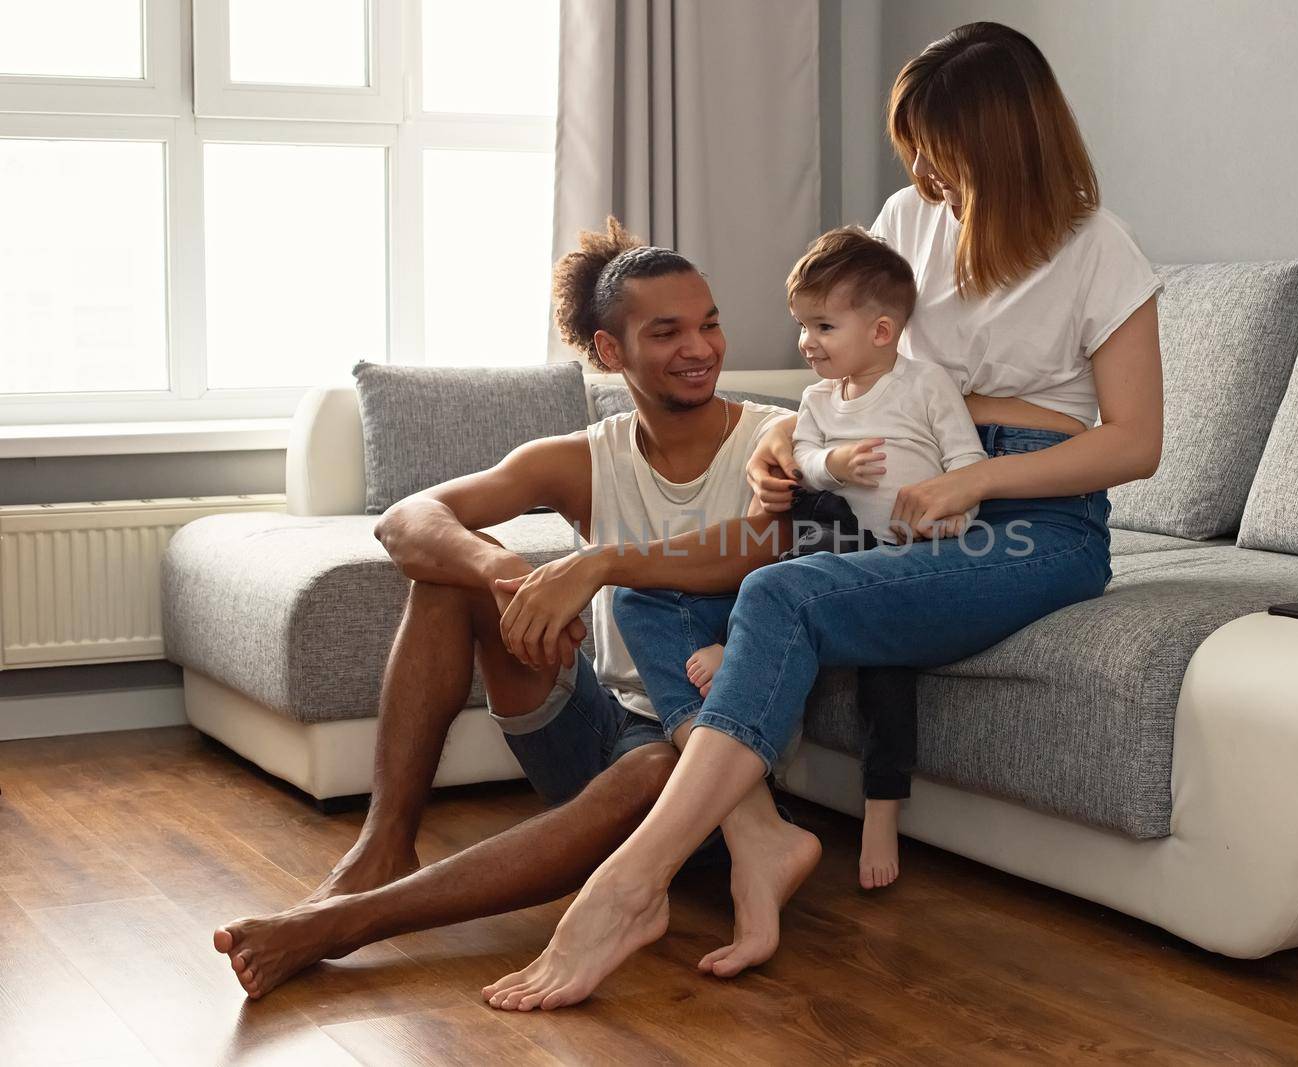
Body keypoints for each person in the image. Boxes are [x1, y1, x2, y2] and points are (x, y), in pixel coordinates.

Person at [472, 20, 1165, 1012]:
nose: (921, 163)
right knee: (650, 592)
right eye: (913, 140)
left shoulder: (1099, 247)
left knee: (782, 593)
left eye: (938, 140)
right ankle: (757, 833)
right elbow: (851, 359)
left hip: (1034, 517)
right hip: (884, 483)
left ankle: (629, 882)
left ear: (1004, 136)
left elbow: (1135, 441)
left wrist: (975, 484)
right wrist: (787, 446)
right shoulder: (908, 217)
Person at [210, 217, 818, 1000]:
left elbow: (759, 547)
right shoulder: (583, 457)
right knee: (446, 577)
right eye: (667, 332)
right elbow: (408, 519)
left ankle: (345, 924)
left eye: (709, 325)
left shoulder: (775, 440)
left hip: (715, 756)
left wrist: (595, 562)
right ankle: (383, 845)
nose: (699, 348)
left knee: (656, 767)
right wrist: (507, 571)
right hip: (602, 719)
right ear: (610, 351)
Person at [674, 225, 987, 890]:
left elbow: (966, 462)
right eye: (801, 325)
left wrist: (956, 512)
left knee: (886, 670)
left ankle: (881, 810)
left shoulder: (924, 386)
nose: (805, 342)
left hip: (903, 556)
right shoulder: (817, 401)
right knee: (804, 508)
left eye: (821, 326)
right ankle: (743, 638)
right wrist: (829, 463)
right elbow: (807, 461)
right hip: (840, 540)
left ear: (879, 331)